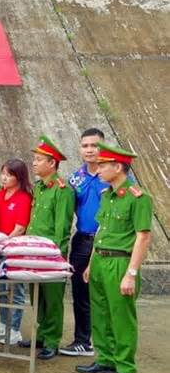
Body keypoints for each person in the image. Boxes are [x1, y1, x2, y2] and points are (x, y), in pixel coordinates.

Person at [75, 142, 152, 373]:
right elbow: (100, 231)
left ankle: (125, 368)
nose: (97, 170)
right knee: (100, 314)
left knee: (121, 318)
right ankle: (105, 359)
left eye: (103, 165)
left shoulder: (137, 198)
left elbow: (142, 237)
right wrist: (90, 263)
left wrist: (131, 273)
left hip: (121, 262)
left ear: (118, 167)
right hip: (99, 261)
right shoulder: (105, 195)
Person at [22, 135, 75, 360]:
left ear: (52, 163)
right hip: (34, 253)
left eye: (38, 160)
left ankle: (52, 340)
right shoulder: (39, 188)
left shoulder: (62, 190)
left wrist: (57, 258)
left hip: (51, 256)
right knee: (37, 297)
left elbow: (62, 228)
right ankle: (41, 335)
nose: (33, 163)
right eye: (34, 159)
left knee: (52, 299)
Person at [61, 128, 108, 357]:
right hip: (81, 240)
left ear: (103, 147)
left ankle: (107, 345)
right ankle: (82, 341)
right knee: (80, 292)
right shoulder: (75, 177)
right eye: (85, 146)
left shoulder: (113, 175)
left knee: (102, 294)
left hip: (105, 242)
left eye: (94, 145)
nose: (89, 150)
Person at [0, 159, 32, 345]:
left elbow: (20, 228)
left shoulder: (24, 198)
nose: (4, 178)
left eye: (9, 174)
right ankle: (4, 323)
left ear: (19, 177)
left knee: (16, 290)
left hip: (14, 248)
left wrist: (5, 243)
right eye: (3, 173)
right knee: (2, 288)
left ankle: (14, 329)